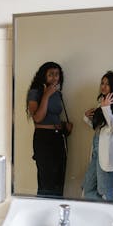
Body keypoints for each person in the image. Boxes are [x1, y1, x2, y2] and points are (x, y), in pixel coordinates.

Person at [26, 61, 72, 196]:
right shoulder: (35, 92)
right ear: (43, 76)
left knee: (59, 179)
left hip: (58, 137)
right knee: (46, 181)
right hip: (43, 138)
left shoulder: (58, 93)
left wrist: (64, 126)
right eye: (51, 74)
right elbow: (37, 118)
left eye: (57, 75)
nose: (54, 78)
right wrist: (46, 95)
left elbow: (53, 116)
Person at [82, 71, 113, 201]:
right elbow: (100, 129)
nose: (104, 86)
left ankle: (107, 212)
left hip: (108, 153)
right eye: (102, 83)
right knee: (87, 187)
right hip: (97, 150)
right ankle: (99, 211)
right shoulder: (102, 101)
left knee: (104, 191)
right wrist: (86, 118)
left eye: (108, 84)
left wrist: (106, 108)